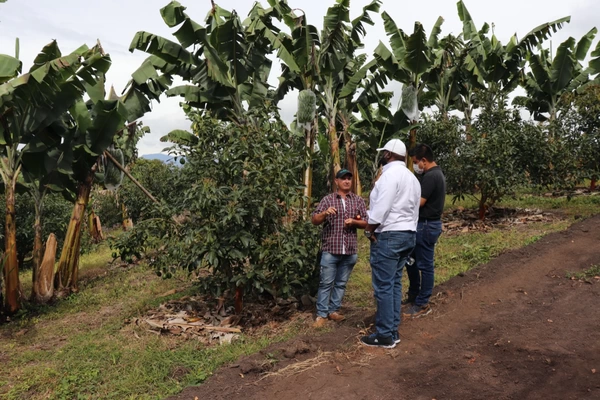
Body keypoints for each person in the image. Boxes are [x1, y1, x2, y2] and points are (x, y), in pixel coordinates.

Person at [360, 139, 421, 348]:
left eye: (383, 153)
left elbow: (381, 209)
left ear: (387, 155)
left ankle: (385, 334)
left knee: (384, 286)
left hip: (389, 235)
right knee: (394, 283)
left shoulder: (388, 177)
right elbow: (414, 210)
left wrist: (369, 230)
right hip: (408, 234)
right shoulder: (412, 178)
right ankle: (392, 329)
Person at [312, 169, 368, 328]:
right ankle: (321, 314)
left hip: (349, 250)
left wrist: (354, 222)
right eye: (343, 179)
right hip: (331, 248)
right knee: (325, 283)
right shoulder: (328, 200)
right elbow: (314, 220)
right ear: (336, 181)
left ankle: (333, 310)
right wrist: (324, 213)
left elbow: (366, 222)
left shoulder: (357, 200)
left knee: (341, 283)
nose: (347, 181)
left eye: (349, 179)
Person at [403, 143, 446, 318]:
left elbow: (419, 202)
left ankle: (422, 303)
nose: (415, 166)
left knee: (425, 265)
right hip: (426, 225)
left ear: (423, 160)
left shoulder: (431, 177)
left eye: (415, 162)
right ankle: (414, 295)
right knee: (411, 261)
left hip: (426, 225)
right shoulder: (437, 174)